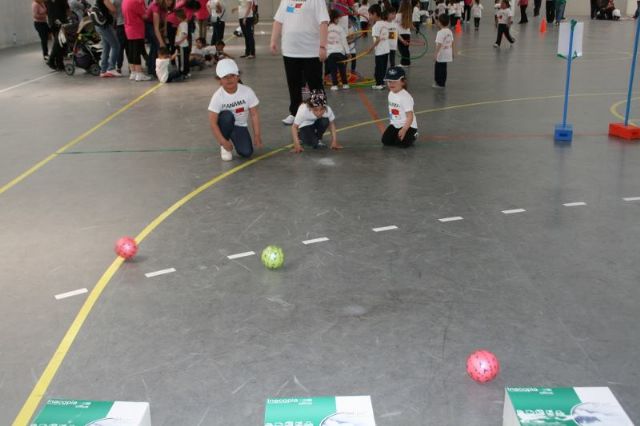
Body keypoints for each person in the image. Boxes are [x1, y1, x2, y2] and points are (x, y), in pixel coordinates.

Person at [270, 0, 330, 125]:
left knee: (315, 85)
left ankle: (321, 113)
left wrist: (323, 46)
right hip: (290, 50)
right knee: (293, 83)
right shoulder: (286, 1)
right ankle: (295, 113)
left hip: (311, 51)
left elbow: (323, 23)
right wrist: (273, 40)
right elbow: (278, 21)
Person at [208, 59, 262, 161]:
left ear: (238, 77)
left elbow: (254, 115)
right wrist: (223, 141)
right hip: (225, 124)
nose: (229, 80)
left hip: (239, 126)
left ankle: (235, 137)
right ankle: (225, 146)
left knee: (246, 152)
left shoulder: (247, 92)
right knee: (226, 116)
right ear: (219, 80)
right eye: (225, 77)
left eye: (232, 76)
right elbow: (212, 123)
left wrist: (257, 135)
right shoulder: (217, 97)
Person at [382, 66, 416, 148]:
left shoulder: (405, 97)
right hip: (395, 124)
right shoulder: (390, 94)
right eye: (389, 81)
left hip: (408, 125)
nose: (391, 84)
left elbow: (410, 117)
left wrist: (404, 129)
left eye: (394, 81)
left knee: (401, 144)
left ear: (403, 82)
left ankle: (414, 134)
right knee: (385, 141)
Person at [122, 0, 151, 80]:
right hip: (136, 28)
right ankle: (139, 73)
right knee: (136, 51)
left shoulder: (125, 1)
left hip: (128, 28)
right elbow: (145, 16)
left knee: (131, 50)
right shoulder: (136, 2)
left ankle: (133, 72)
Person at [93, 0, 122, 77]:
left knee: (106, 47)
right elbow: (113, 9)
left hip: (100, 25)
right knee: (116, 46)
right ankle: (111, 68)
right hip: (104, 26)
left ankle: (103, 70)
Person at [145, 0, 173, 77]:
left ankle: (151, 67)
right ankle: (153, 69)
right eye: (169, 1)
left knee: (155, 46)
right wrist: (161, 42)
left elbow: (165, 18)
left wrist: (165, 31)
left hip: (155, 25)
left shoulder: (164, 6)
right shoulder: (156, 6)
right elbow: (156, 28)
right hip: (148, 25)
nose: (171, 2)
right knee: (157, 45)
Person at [327, 9, 350, 90]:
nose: (339, 20)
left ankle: (335, 85)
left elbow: (325, 42)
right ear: (334, 19)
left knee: (333, 70)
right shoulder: (340, 28)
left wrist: (326, 53)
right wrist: (348, 52)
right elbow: (344, 41)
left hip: (330, 54)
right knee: (342, 69)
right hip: (340, 53)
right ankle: (345, 84)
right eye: (338, 18)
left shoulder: (327, 28)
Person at [368, 4, 389, 89]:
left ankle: (379, 84)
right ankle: (382, 82)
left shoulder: (376, 26)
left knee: (378, 68)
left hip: (380, 51)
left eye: (370, 14)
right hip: (386, 50)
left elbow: (377, 39)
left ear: (375, 14)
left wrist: (371, 48)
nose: (369, 17)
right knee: (383, 67)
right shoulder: (385, 23)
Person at [433, 13, 452, 88]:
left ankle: (439, 83)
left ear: (440, 22)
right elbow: (452, 42)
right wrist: (453, 52)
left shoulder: (440, 33)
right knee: (444, 69)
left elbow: (439, 44)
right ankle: (443, 83)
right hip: (447, 54)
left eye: (438, 21)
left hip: (441, 54)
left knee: (438, 69)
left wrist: (435, 54)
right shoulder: (449, 31)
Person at [112, 0, 127, 74]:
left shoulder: (115, 1)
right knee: (129, 47)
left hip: (119, 25)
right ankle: (131, 67)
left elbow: (113, 14)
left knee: (120, 48)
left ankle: (119, 67)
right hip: (127, 24)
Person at [174, 9, 190, 76]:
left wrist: (179, 42)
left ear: (180, 16)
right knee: (183, 59)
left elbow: (185, 35)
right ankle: (185, 71)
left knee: (182, 60)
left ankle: (183, 72)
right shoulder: (182, 24)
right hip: (181, 45)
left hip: (182, 45)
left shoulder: (183, 24)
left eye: (177, 17)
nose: (176, 18)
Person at [397, 0, 413, 66]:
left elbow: (393, 25)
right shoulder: (409, 15)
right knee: (406, 49)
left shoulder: (398, 15)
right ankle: (407, 62)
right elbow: (411, 25)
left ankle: (404, 63)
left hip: (400, 35)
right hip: (407, 35)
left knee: (402, 50)